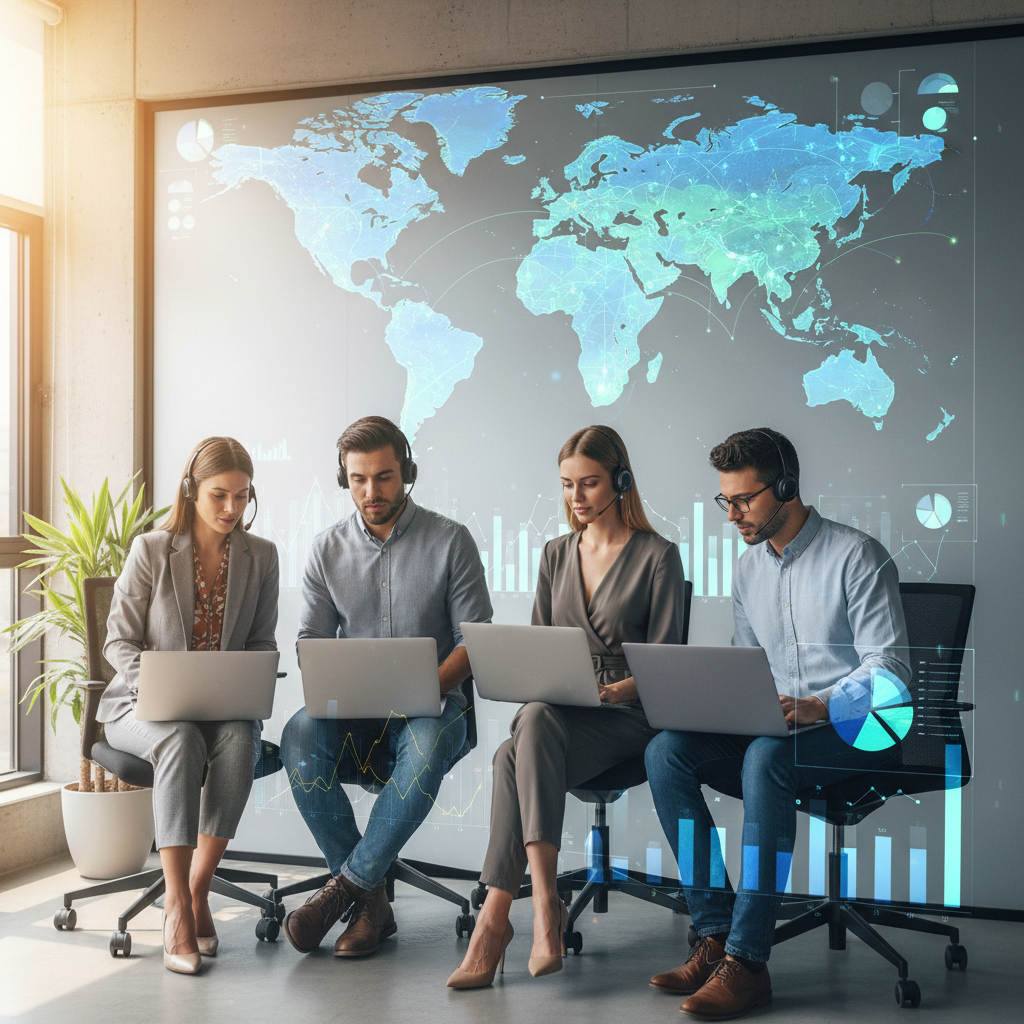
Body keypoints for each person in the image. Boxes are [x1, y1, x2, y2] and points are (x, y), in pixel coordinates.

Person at [644, 428, 911, 1020]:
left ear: (787, 488)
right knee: (666, 751)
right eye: (725, 501)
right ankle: (714, 933)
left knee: (767, 755)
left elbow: (891, 672)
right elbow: (749, 667)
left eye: (744, 500)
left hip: (862, 730)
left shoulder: (857, 555)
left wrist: (818, 705)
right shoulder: (746, 570)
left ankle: (747, 962)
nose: (732, 513)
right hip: (777, 728)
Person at [448, 425, 686, 988]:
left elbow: (667, 665)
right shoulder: (556, 554)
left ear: (620, 481)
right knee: (528, 729)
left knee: (513, 754)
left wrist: (611, 691)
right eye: (567, 485)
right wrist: (562, 687)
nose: (576, 497)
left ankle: (510, 915)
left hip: (631, 714)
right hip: (559, 710)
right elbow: (539, 650)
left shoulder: (658, 556)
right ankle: (525, 911)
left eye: (589, 483)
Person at [279, 415, 492, 958]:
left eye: (384, 477)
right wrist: (337, 680)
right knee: (299, 736)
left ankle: (343, 894)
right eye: (358, 479)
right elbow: (311, 641)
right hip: (353, 713)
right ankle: (370, 901)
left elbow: (476, 643)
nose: (371, 492)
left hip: (433, 710)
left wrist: (418, 691)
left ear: (408, 472)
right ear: (344, 479)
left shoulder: (451, 541)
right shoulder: (327, 550)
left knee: (422, 747)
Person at [99, 437, 279, 975]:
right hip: (140, 710)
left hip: (221, 710)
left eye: (242, 497)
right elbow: (117, 642)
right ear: (190, 490)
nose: (231, 509)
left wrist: (246, 680)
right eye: (219, 495)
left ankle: (199, 888)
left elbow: (262, 644)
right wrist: (155, 683)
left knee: (242, 735)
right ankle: (176, 906)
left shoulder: (261, 556)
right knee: (178, 735)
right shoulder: (153, 550)